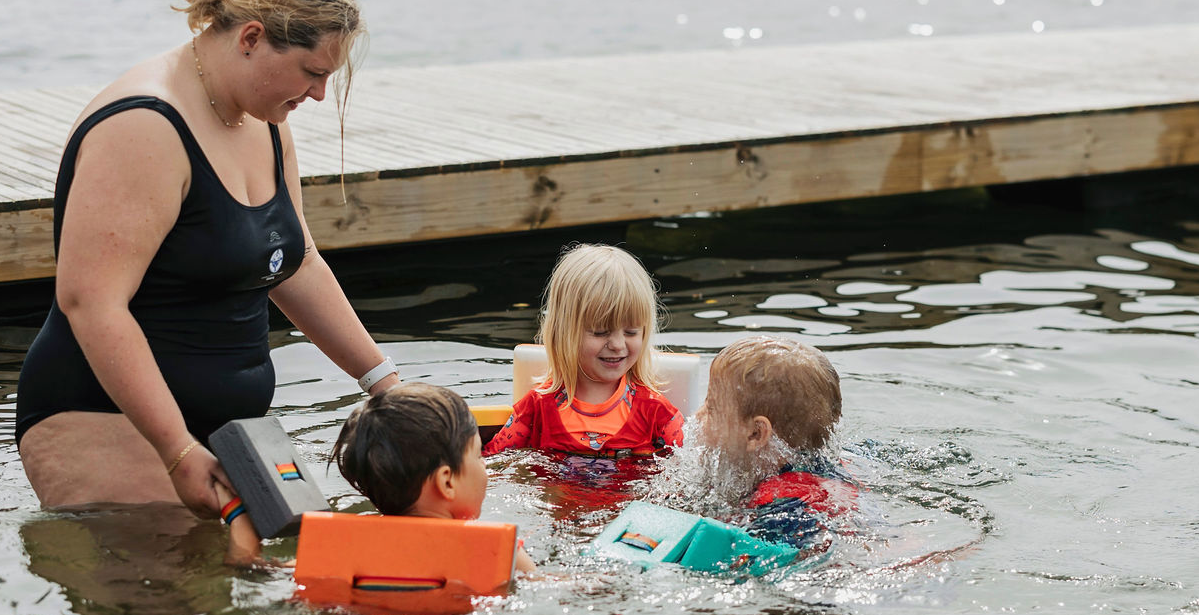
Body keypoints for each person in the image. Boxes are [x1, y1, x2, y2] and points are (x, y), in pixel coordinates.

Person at [16, 0, 405, 516]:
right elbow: (92, 303)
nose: (320, 95)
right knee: (172, 597)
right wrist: (176, 450)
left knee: (281, 581)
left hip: (230, 427)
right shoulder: (144, 125)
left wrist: (387, 384)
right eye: (313, 72)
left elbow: (293, 264)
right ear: (250, 37)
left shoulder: (264, 118)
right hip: (110, 419)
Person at [225, 382, 535, 575]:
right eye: (479, 457)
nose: (486, 468)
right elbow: (561, 589)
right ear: (447, 482)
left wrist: (237, 513)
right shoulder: (502, 552)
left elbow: (249, 567)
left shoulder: (338, 549)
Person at [483, 244, 683, 487]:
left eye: (631, 332)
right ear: (563, 332)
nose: (618, 345)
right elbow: (491, 464)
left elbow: (691, 476)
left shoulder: (656, 412)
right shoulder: (537, 408)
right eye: (600, 332)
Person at [692, 334, 856, 549]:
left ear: (756, 434)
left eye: (710, 409)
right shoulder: (840, 464)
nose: (697, 416)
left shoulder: (782, 510)